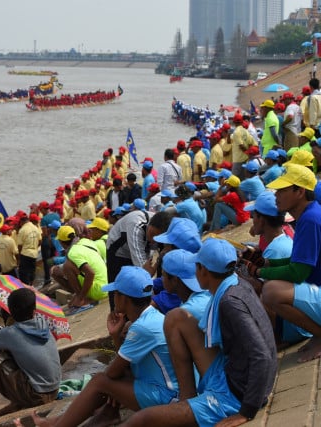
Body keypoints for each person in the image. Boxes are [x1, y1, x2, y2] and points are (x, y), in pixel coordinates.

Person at [125, 238, 277, 427]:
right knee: (176, 318)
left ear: (203, 271)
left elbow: (262, 355)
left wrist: (246, 411)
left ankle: (196, 407)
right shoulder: (236, 284)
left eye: (196, 267)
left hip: (238, 394)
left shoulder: (229, 303)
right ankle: (187, 399)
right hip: (235, 375)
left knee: (142, 419)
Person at [30, 267, 178, 427]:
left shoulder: (142, 327)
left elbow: (112, 372)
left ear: (125, 299)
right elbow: (123, 365)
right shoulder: (151, 317)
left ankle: (59, 425)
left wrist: (108, 378)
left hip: (167, 397)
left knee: (100, 381)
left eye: (115, 293)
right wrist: (115, 335)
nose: (113, 297)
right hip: (165, 389)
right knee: (115, 376)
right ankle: (97, 416)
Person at [0, 288, 61, 426]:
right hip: (54, 390)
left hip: (37, 395)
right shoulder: (42, 323)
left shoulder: (11, 333)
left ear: (10, 312)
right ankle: (17, 403)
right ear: (34, 310)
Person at [254, 164, 321, 362]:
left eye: (282, 190)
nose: (276, 195)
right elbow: (298, 260)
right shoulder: (309, 214)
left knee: (271, 291)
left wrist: (260, 271)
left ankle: (319, 335)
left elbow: (298, 272)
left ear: (299, 191)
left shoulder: (310, 219)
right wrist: (267, 264)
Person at [51, 226, 108, 310]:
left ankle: (82, 299)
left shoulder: (73, 252)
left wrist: (80, 298)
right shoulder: (86, 241)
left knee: (65, 267)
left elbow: (90, 273)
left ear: (61, 242)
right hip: (106, 286)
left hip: (98, 291)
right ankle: (79, 296)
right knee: (64, 268)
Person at [16, 213, 41, 285]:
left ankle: (25, 288)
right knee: (32, 272)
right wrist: (35, 248)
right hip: (34, 254)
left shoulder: (22, 230)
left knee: (23, 273)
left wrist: (20, 257)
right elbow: (40, 241)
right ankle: (31, 286)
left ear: (22, 222)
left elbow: (20, 246)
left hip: (25, 253)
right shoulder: (36, 228)